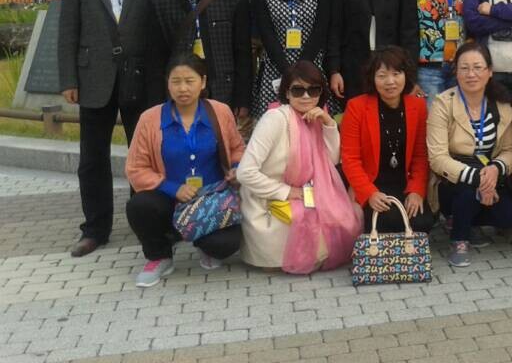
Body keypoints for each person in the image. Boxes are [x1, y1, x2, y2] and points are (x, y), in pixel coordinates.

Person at [58, 0, 170, 257]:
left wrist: (166, 77)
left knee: (147, 154)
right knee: (92, 158)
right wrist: (69, 79)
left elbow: (164, 26)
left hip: (142, 76)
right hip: (94, 78)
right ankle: (95, 229)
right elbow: (68, 30)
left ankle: (149, 224)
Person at [125, 54, 245, 286]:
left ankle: (203, 242)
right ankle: (159, 256)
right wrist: (173, 188)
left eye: (190, 81)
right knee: (139, 206)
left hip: (212, 199)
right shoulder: (150, 119)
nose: (183, 88)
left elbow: (237, 148)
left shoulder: (220, 112)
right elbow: (136, 168)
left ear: (203, 81)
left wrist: (236, 168)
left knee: (226, 244)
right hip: (169, 200)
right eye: (176, 81)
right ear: (167, 83)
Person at [237, 61, 361, 273]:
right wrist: (287, 192)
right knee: (318, 240)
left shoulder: (315, 117)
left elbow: (332, 160)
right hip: (269, 200)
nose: (305, 96)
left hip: (306, 194)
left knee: (348, 217)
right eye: (297, 90)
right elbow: (245, 173)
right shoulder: (275, 119)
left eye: (313, 90)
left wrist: (328, 123)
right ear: (286, 92)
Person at [427, 42, 512, 267]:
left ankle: (468, 222)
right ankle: (459, 239)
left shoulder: (501, 105)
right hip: (453, 177)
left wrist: (495, 170)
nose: (471, 74)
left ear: (490, 72)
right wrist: (478, 178)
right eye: (464, 68)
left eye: (478, 67)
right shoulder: (443, 104)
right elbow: (438, 158)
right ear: (456, 72)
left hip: (490, 172)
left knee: (509, 215)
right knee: (467, 192)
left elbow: (510, 150)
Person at [149, 0, 252, 119]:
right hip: (179, 89)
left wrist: (242, 99)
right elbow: (156, 56)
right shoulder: (161, 0)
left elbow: (243, 54)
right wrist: (157, 100)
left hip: (222, 87)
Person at [340, 46, 434, 234]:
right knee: (387, 220)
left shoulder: (417, 106)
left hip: (404, 184)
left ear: (406, 75)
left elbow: (420, 155)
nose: (390, 81)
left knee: (423, 221)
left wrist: (417, 190)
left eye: (396, 74)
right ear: (372, 78)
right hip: (372, 183)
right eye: (382, 75)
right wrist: (369, 193)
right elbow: (350, 158)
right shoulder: (356, 107)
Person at [250, 0, 331, 118]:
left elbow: (320, 30)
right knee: (276, 124)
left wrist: (301, 71)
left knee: (312, 123)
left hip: (312, 68)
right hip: (275, 71)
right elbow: (266, 34)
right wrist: (288, 73)